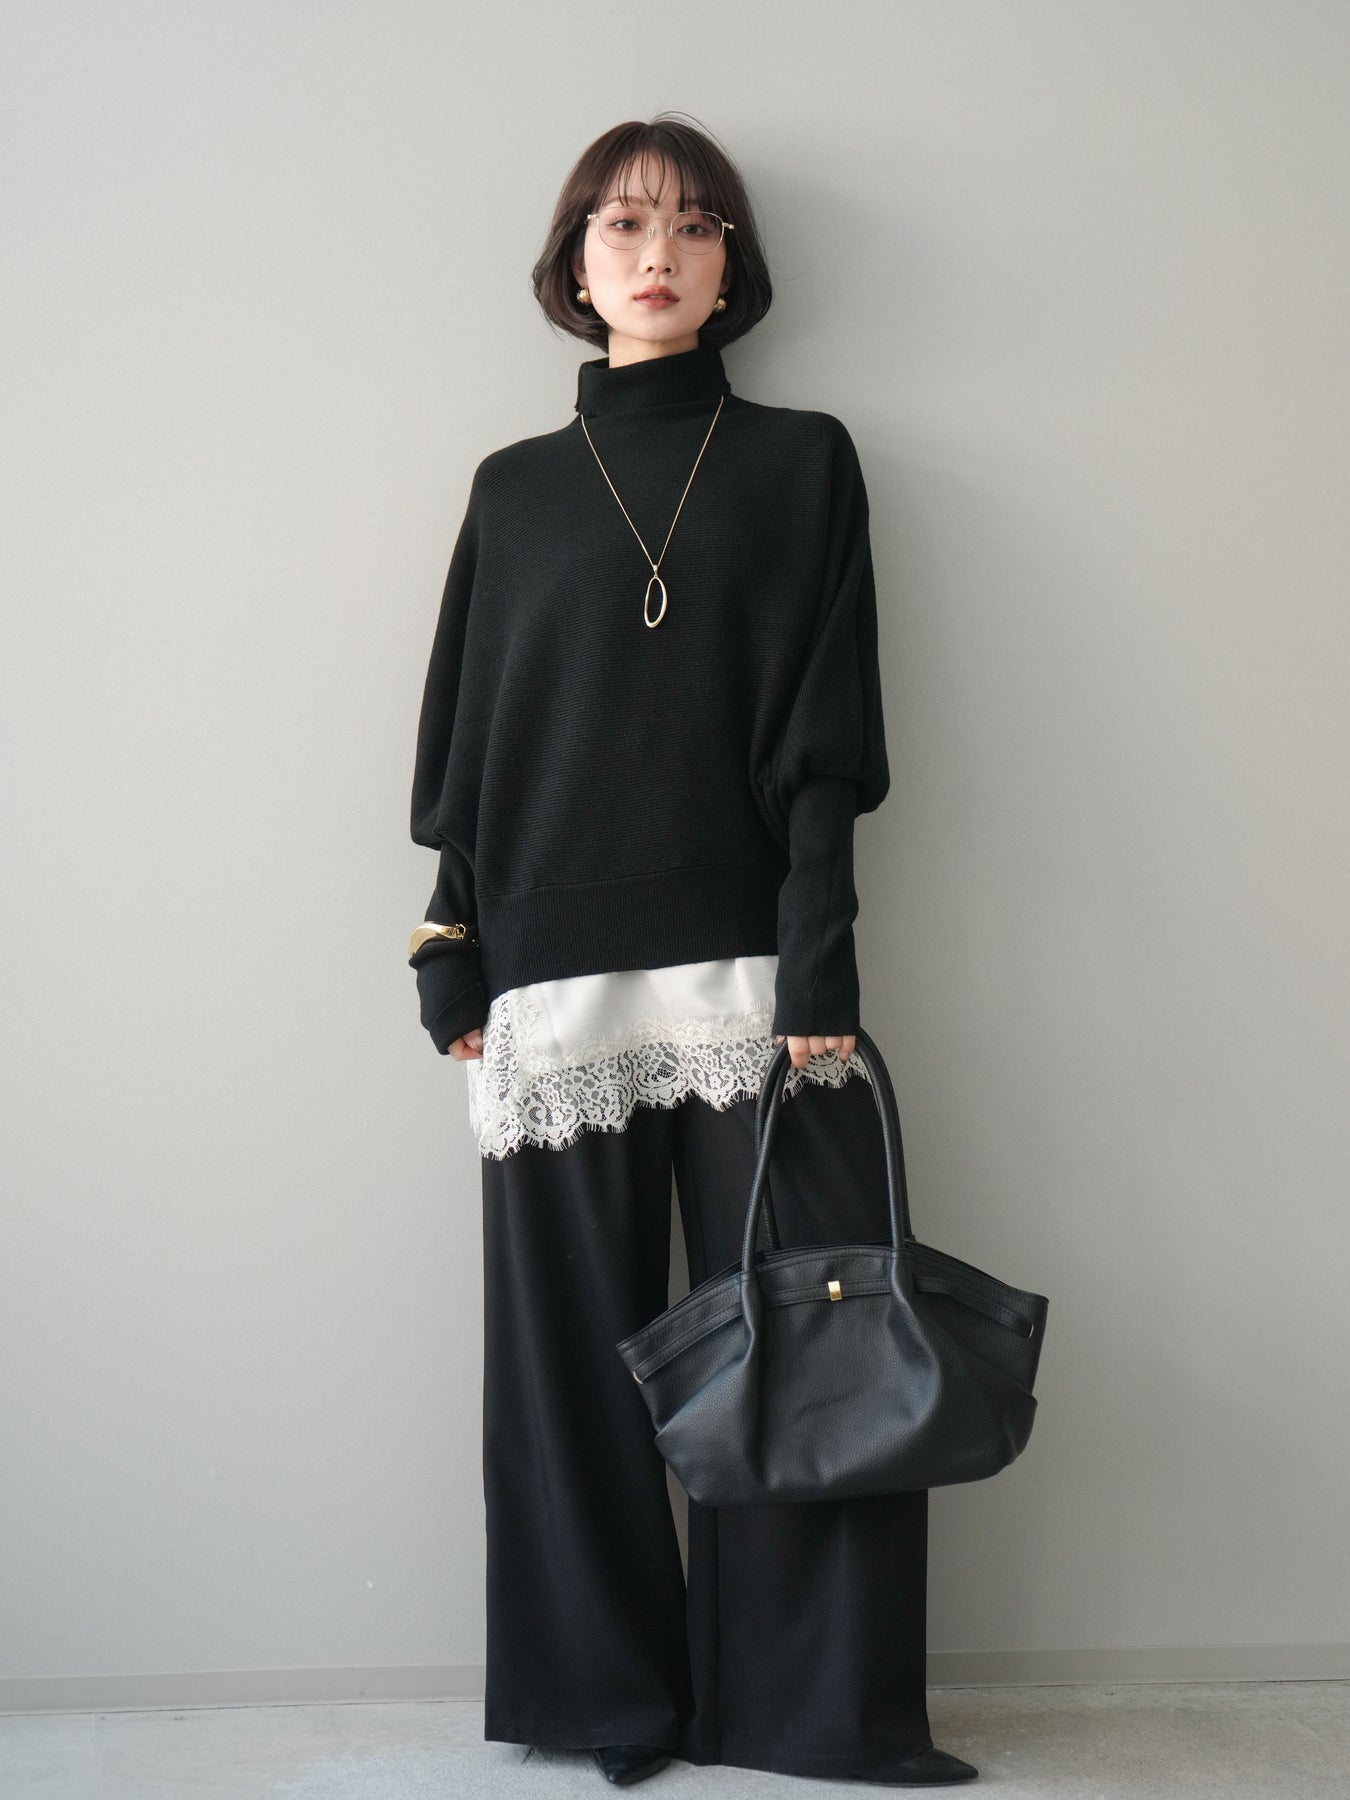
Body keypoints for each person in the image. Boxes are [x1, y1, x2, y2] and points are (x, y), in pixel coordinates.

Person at [406, 113, 978, 1789]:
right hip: (548, 974)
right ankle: (607, 1699)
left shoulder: (803, 463)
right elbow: (472, 748)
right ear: (573, 265)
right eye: (620, 223)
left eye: (692, 224)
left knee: (806, 1337)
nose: (655, 253)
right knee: (565, 1367)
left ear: (732, 268)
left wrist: (820, 968)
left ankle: (808, 1707)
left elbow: (826, 744)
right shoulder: (513, 491)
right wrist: (447, 947)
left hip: (750, 973)